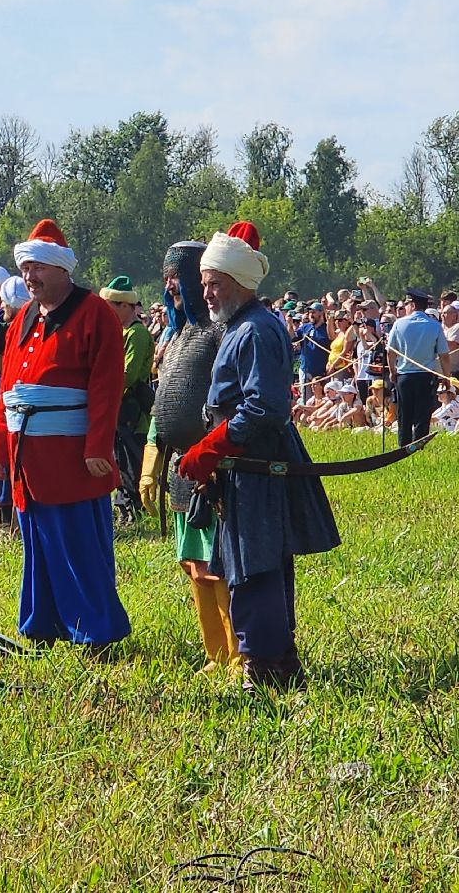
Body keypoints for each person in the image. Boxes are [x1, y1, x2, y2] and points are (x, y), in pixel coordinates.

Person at [178, 221, 340, 691]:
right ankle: (273, 662)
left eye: (215, 283)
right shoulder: (240, 326)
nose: (207, 293)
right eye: (205, 283)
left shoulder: (255, 330)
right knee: (246, 563)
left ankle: (266, 667)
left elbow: (265, 407)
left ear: (240, 283)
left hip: (256, 465)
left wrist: (212, 447)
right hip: (242, 466)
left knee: (255, 564)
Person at [0, 219, 130, 651]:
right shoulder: (22, 319)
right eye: (25, 269)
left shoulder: (94, 313)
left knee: (77, 543)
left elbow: (106, 384)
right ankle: (43, 624)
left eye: (38, 268)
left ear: (62, 269)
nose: (29, 276)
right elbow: (8, 388)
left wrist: (98, 446)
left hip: (71, 454)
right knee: (38, 542)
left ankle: (95, 632)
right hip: (26, 453)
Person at [141, 239, 238, 674]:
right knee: (193, 564)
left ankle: (238, 654)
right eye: (166, 278)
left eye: (177, 277)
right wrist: (151, 463)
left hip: (211, 471)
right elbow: (164, 406)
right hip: (181, 469)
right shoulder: (176, 337)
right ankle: (215, 654)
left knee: (219, 566)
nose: (170, 286)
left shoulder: (221, 334)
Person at [99, 275, 154, 524]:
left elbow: (128, 375)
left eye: (110, 307)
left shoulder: (137, 333)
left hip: (131, 409)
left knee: (131, 462)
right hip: (117, 406)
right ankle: (123, 508)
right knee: (119, 461)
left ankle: (134, 511)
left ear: (124, 305)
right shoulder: (120, 331)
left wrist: (102, 391)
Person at [386, 287, 451, 447]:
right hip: (425, 376)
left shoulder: (399, 324)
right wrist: (446, 376)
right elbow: (444, 355)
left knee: (404, 413)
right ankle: (419, 446)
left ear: (413, 305)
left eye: (407, 304)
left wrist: (392, 371)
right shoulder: (435, 326)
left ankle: (403, 446)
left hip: (404, 376)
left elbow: (390, 352)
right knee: (423, 413)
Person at [293, 302, 329, 391]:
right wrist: (290, 324)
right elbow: (293, 337)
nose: (311, 315)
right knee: (305, 395)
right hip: (305, 368)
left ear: (321, 313)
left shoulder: (327, 329)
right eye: (310, 312)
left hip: (320, 371)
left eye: (314, 312)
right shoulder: (305, 327)